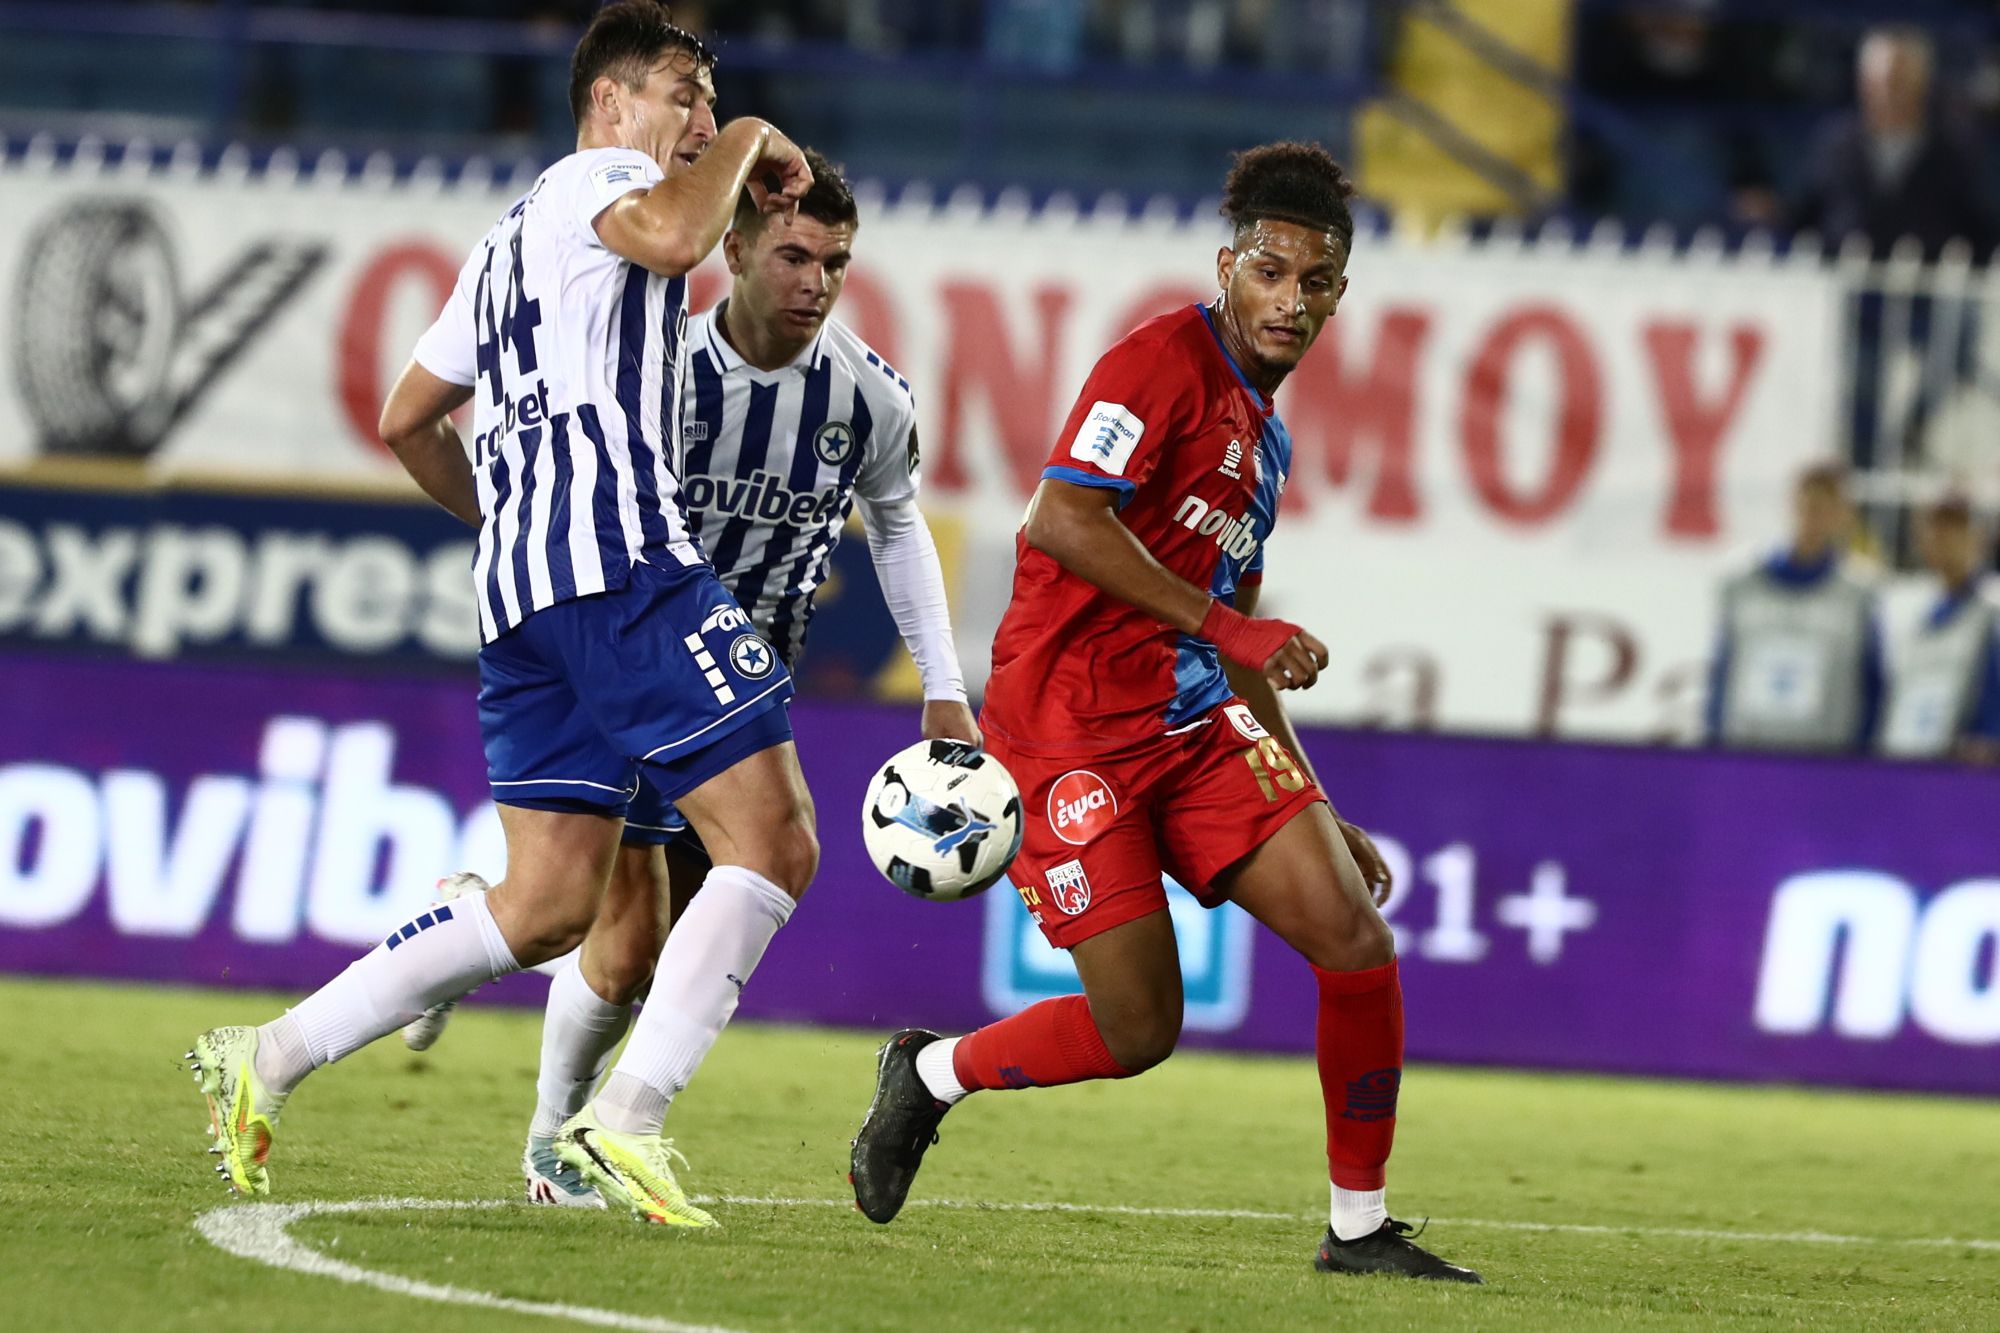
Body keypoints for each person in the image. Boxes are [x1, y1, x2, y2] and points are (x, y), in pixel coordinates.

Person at [188, 3, 819, 1229]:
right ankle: (625, 1118)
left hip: (526, 593)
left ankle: (266, 1055)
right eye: (682, 93)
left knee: (545, 905)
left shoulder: (498, 246)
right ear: (609, 103)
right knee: (775, 838)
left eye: (709, 98)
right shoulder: (604, 178)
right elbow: (679, 232)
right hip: (621, 561)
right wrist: (753, 132)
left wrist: (514, 520)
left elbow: (406, 419)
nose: (699, 116)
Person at [846, 141, 1480, 1282]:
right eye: (1270, 273)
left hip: (1189, 724)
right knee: (1138, 1029)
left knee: (1356, 940)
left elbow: (1234, 627)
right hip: (1065, 730)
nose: (1290, 300)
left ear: (1339, 294)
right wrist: (1230, 630)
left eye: (1315, 282)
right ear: (1228, 268)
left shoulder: (1265, 436)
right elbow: (1060, 518)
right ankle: (930, 1073)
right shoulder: (1158, 362)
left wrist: (1316, 801)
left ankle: (1358, 1227)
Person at [399, 151, 982, 1208]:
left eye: (834, 263)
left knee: (634, 945)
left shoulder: (870, 397)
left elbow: (898, 527)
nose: (814, 281)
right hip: (637, 650)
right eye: (793, 256)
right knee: (628, 940)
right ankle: (554, 1143)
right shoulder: (657, 373)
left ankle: (473, 932)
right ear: (737, 250)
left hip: (747, 684)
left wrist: (943, 685)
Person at [1707, 463, 1885, 754]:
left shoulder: (1859, 594)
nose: (1815, 518)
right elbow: (1722, 670)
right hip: (1748, 752)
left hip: (1824, 758)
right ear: (1793, 504)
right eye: (1810, 505)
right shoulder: (1742, 581)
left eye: (1827, 508)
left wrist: (1861, 761)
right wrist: (1714, 745)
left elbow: (1871, 682)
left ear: (1845, 515)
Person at [1878, 494, 2000, 763]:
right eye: (1935, 530)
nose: (1943, 540)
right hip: (1905, 756)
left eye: (1954, 530)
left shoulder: (1991, 611)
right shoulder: (1907, 609)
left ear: (1976, 538)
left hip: (1964, 767)